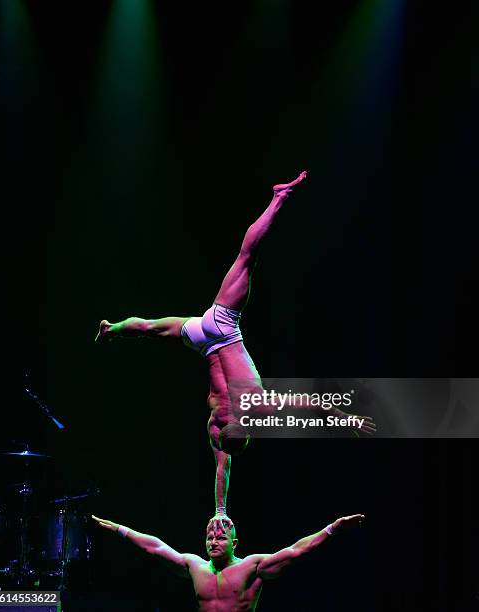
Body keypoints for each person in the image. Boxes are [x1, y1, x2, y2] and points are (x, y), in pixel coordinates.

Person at [94, 171, 375, 523]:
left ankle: (279, 199)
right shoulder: (229, 422)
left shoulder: (252, 414)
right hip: (207, 340)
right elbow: (229, 467)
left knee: (247, 257)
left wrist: (221, 510)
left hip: (219, 330)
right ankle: (114, 328)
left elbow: (306, 406)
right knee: (153, 327)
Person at [92, 512, 365, 611]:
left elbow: (296, 551)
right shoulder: (194, 565)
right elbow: (155, 547)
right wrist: (120, 529)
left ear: (235, 543)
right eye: (210, 537)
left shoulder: (252, 566)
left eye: (221, 538)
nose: (213, 540)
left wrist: (332, 528)